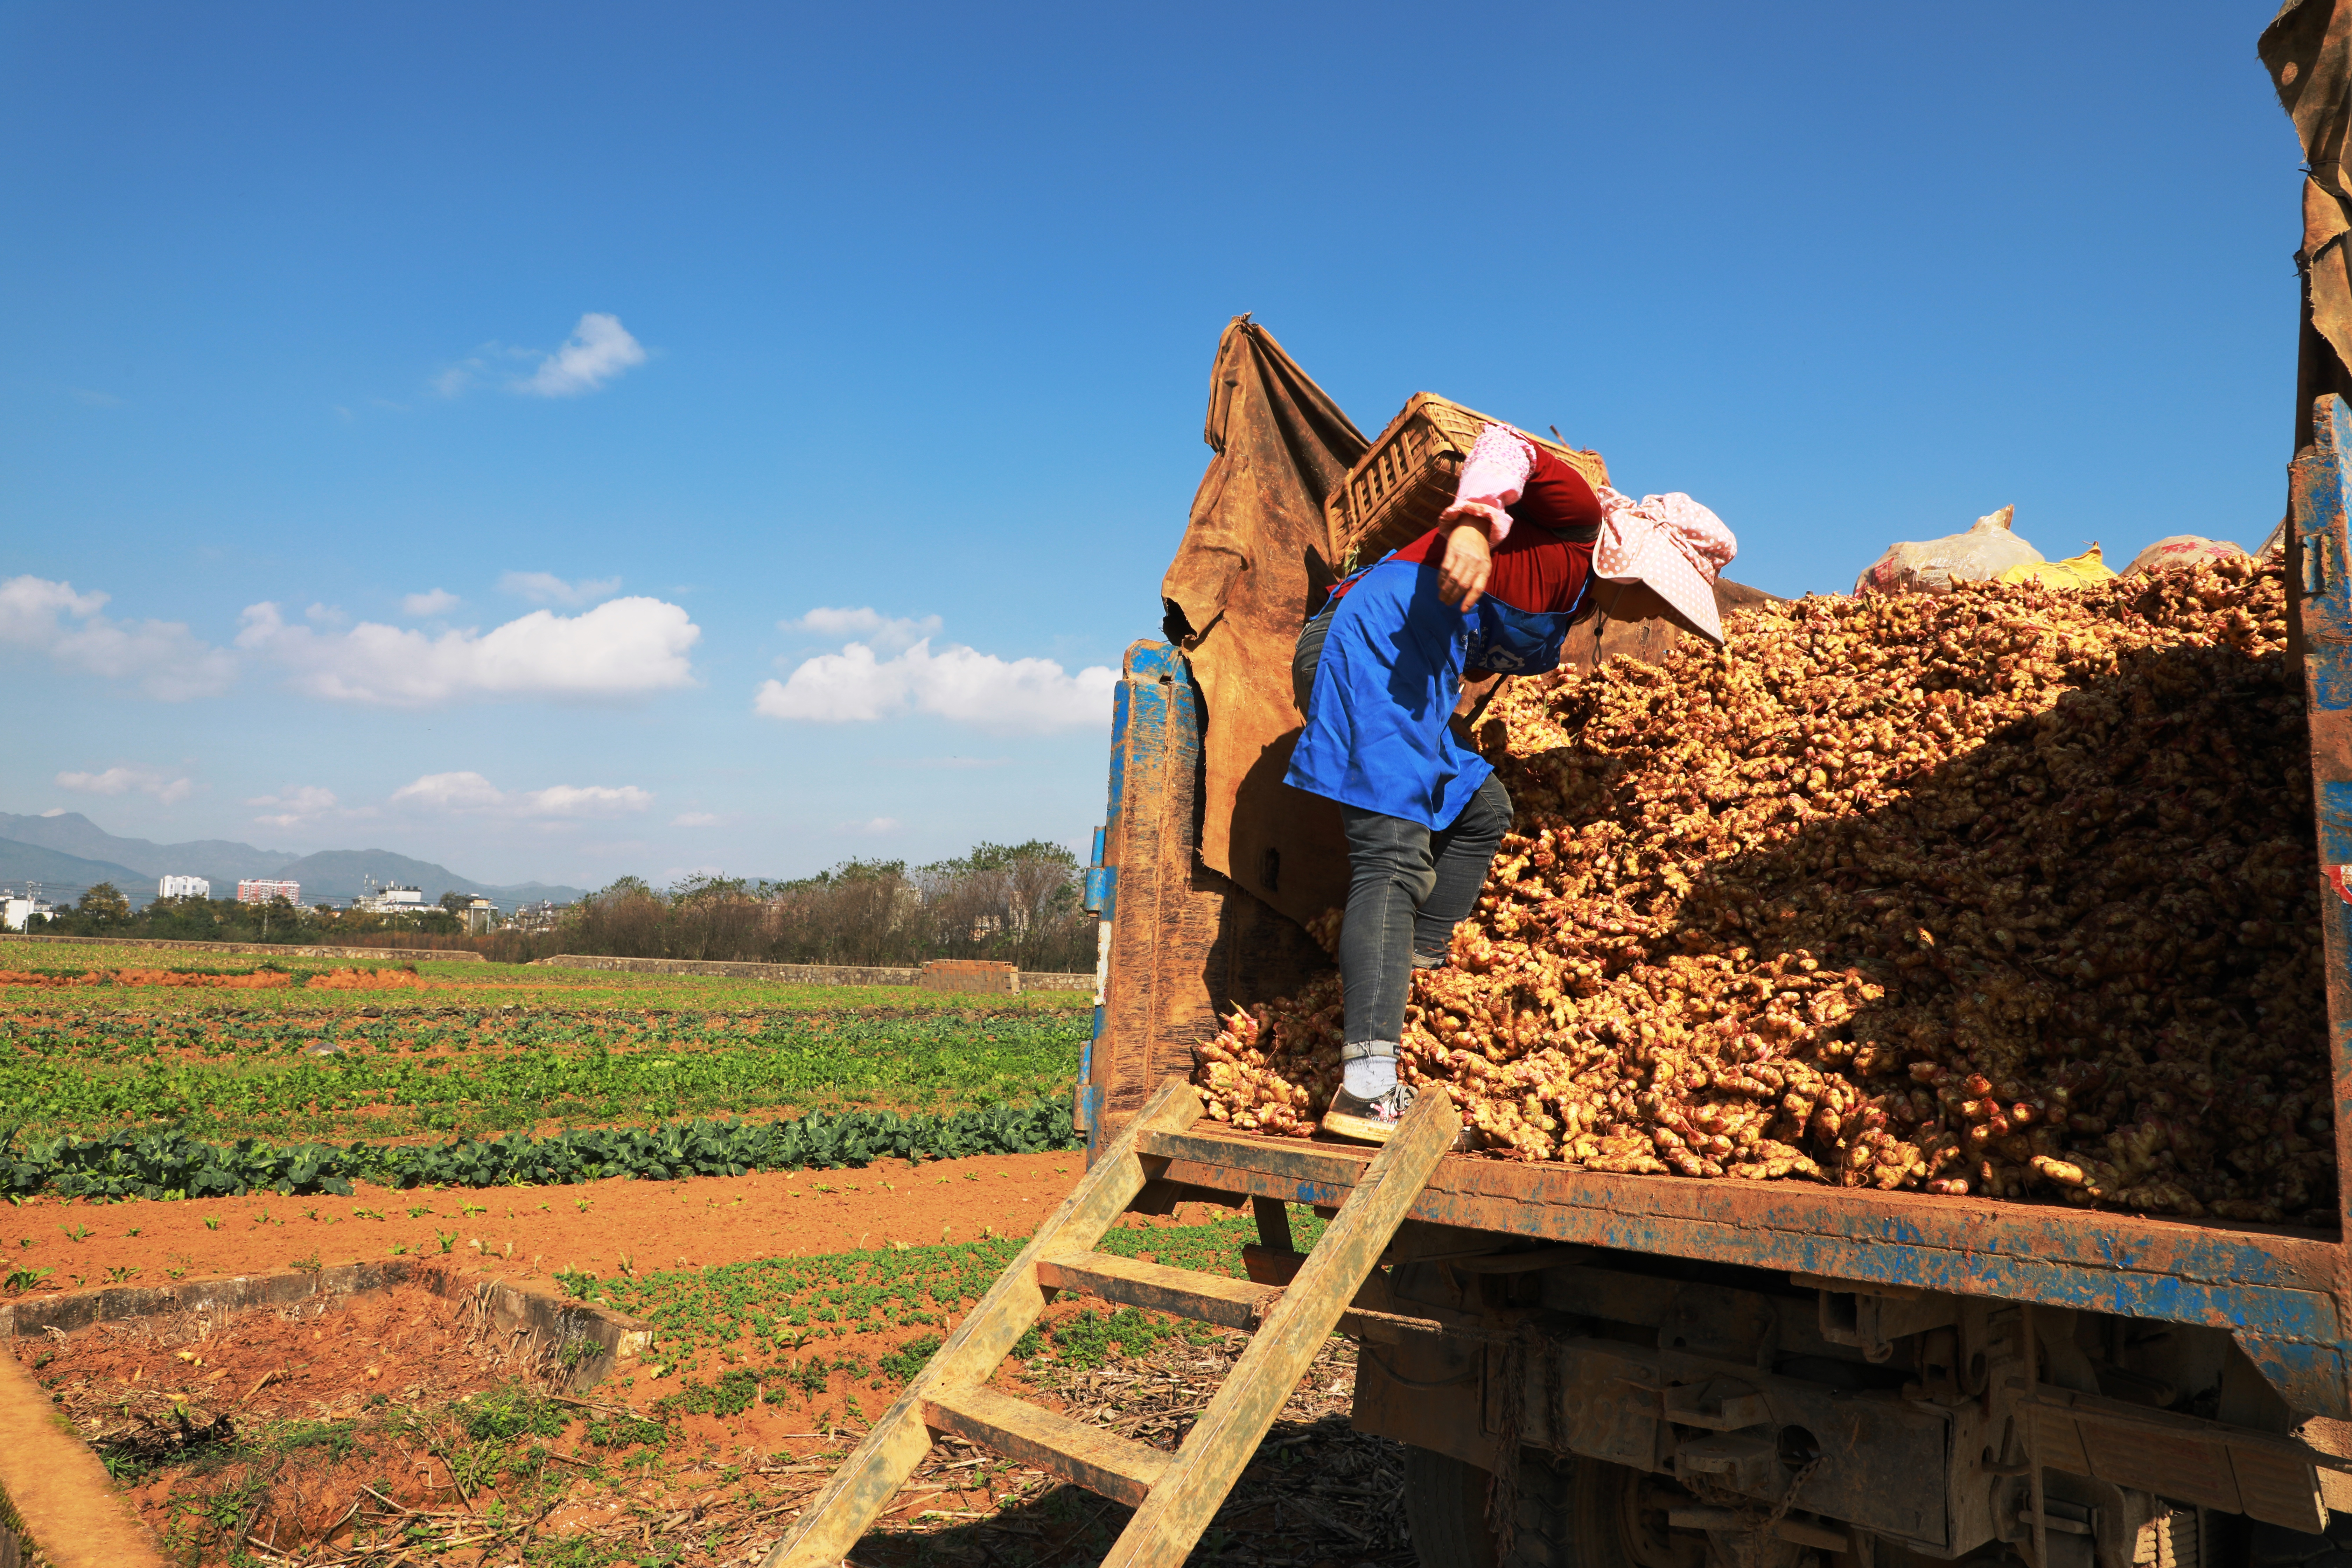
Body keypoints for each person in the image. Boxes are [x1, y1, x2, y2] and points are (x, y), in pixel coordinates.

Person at [1284, 422, 1737, 1143]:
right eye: (1661, 596)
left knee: (1483, 809)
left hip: (1417, 679)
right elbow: (1507, 446)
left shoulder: (1583, 597)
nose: (1658, 615)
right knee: (1394, 856)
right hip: (1377, 642)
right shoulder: (1581, 518)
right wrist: (1471, 525)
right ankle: (1367, 1090)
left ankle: (1417, 967)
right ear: (1637, 560)